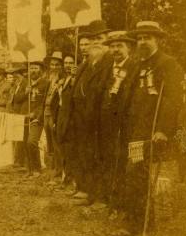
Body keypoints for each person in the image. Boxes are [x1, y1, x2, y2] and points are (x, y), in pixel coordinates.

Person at [112, 20, 183, 236]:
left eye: (148, 38)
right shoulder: (135, 64)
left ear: (158, 40)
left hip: (149, 129)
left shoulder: (168, 64)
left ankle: (135, 223)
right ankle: (143, 219)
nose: (143, 41)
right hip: (132, 129)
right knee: (134, 173)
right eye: (140, 38)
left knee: (136, 173)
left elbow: (172, 100)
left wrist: (163, 129)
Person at [68, 20, 113, 204]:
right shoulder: (87, 63)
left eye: (100, 39)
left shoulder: (110, 61)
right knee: (85, 154)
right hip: (83, 118)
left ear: (107, 40)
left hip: (101, 118)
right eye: (93, 39)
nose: (95, 43)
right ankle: (86, 190)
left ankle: (100, 195)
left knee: (100, 156)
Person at [97, 31, 139, 210]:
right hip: (107, 124)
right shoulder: (107, 68)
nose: (115, 50)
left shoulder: (135, 67)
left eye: (119, 46)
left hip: (126, 125)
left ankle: (121, 202)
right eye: (112, 46)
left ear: (128, 47)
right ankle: (108, 199)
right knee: (108, 159)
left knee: (122, 162)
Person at [12, 59, 48, 176]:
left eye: (36, 68)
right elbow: (16, 99)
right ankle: (29, 169)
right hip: (24, 117)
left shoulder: (45, 84)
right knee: (24, 143)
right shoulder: (25, 83)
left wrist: (35, 114)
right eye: (31, 68)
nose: (33, 70)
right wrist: (26, 93)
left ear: (41, 71)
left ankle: (37, 168)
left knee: (32, 142)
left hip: (37, 118)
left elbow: (44, 102)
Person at [49, 55, 76, 186]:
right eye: (66, 63)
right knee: (61, 147)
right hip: (61, 115)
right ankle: (63, 174)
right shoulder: (63, 79)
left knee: (70, 148)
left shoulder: (75, 79)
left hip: (72, 117)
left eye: (71, 63)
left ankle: (70, 177)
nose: (68, 65)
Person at [42, 51, 64, 177]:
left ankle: (59, 169)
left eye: (57, 65)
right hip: (46, 112)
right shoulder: (49, 78)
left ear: (61, 66)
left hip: (55, 113)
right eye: (52, 65)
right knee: (49, 140)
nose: (54, 67)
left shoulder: (62, 79)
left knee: (57, 141)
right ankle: (53, 166)